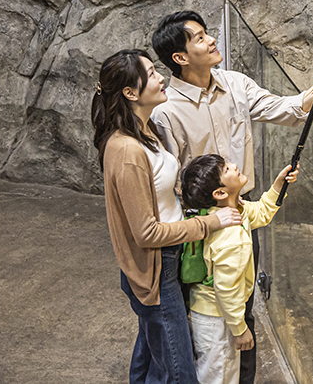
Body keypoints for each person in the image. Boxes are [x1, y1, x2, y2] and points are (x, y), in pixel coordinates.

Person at [150, 10, 313, 383]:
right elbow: (170, 178)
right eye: (200, 37)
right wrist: (198, 223)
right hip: (198, 223)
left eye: (208, 33)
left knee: (243, 302)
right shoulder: (165, 110)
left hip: (240, 210)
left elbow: (283, 108)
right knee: (200, 310)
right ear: (180, 57)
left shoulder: (235, 83)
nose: (212, 40)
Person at [92, 49, 243, 384]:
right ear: (130, 93)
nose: (162, 77)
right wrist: (209, 222)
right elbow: (146, 232)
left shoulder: (144, 132)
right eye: (152, 73)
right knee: (179, 372)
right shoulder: (127, 150)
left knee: (149, 359)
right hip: (156, 270)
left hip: (168, 261)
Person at [180, 154, 299, 384]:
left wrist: (279, 184)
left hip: (213, 314)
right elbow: (226, 288)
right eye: (226, 169)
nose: (234, 166)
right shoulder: (231, 235)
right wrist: (240, 328)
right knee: (219, 377)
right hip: (217, 319)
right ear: (221, 193)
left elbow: (262, 212)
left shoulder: (226, 213)